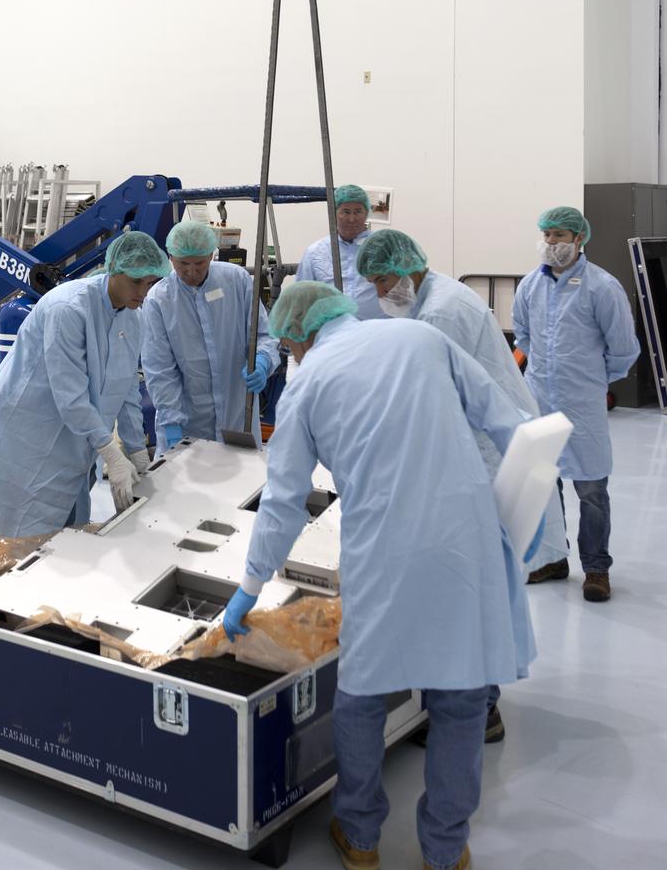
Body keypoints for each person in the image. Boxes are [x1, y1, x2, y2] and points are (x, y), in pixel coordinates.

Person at [223, 282, 536, 870]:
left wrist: (250, 587)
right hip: (464, 538)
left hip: (384, 548)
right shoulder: (422, 338)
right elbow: (507, 420)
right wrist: (529, 506)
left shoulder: (306, 383)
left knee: (363, 696)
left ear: (295, 336)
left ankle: (361, 837)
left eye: (288, 344)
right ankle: (447, 850)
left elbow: (285, 500)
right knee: (462, 698)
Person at [356, 227, 567, 746]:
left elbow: (434, 401)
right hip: (486, 449)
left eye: (383, 279)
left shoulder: (440, 315)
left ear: (406, 266)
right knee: (478, 586)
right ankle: (469, 699)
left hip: (486, 458)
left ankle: (480, 711)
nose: (381, 292)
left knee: (475, 589)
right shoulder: (433, 296)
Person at [0, 231, 170, 538]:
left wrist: (136, 450)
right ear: (114, 269)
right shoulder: (68, 308)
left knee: (63, 533)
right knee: (6, 534)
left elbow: (126, 391)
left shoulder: (133, 317)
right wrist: (110, 452)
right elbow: (70, 395)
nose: (143, 291)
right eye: (136, 281)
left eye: (149, 282)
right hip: (26, 431)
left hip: (76, 436)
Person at [513, 206, 639, 602]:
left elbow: (623, 348)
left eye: (561, 236)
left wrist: (591, 380)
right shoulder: (531, 285)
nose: (552, 243)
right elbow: (523, 335)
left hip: (582, 404)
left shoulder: (602, 286)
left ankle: (596, 568)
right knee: (544, 486)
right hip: (540, 399)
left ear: (579, 239)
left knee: (591, 489)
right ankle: (553, 559)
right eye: (548, 235)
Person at [140, 219, 280, 452]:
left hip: (237, 416)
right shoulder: (159, 299)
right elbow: (160, 369)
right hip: (188, 422)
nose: (191, 272)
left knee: (239, 483)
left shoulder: (237, 280)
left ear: (212, 256)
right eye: (183, 263)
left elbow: (264, 334)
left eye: (200, 264)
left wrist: (263, 360)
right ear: (170, 257)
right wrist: (172, 422)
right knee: (185, 485)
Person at [295, 184, 382, 320]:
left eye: (358, 211)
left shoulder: (381, 247)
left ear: (366, 214)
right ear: (334, 214)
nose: (352, 219)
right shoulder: (315, 253)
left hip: (375, 333)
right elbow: (300, 299)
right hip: (330, 334)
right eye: (346, 212)